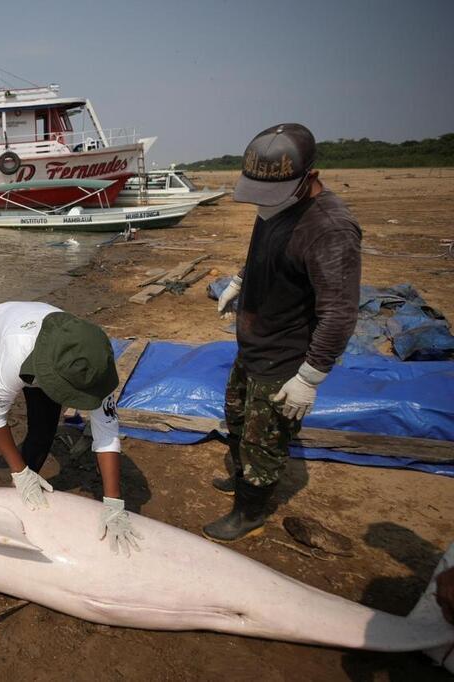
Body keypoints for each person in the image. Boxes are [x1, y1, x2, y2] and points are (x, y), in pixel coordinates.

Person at [205, 124, 362, 543]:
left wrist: (309, 377)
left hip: (285, 358)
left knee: (264, 440)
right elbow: (262, 248)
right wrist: (240, 280)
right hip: (254, 345)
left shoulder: (329, 229)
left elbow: (340, 313)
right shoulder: (275, 206)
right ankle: (242, 477)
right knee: (238, 418)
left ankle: (250, 509)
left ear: (309, 179)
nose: (263, 204)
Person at [0, 302, 141, 555]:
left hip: (55, 353)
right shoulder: (15, 354)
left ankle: (20, 498)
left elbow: (107, 433)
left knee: (43, 431)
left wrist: (113, 502)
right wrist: (19, 471)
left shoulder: (94, 369)